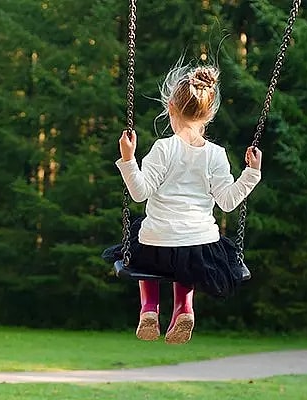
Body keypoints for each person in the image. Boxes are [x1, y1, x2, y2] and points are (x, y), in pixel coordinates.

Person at [111, 62, 262, 345]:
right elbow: (228, 202)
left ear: (170, 106)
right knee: (187, 254)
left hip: (157, 246)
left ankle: (149, 308)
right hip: (199, 249)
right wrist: (251, 173)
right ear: (210, 113)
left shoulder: (163, 148)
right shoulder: (216, 154)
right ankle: (184, 307)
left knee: (142, 235)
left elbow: (139, 193)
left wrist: (128, 159)